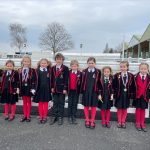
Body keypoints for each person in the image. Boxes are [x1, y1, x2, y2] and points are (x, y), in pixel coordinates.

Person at [113, 61, 135, 128]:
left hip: (127, 95)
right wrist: (115, 93)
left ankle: (123, 121)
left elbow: (133, 86)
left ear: (127, 67)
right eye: (121, 67)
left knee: (125, 108)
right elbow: (114, 85)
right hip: (119, 94)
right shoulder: (117, 75)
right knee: (119, 108)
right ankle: (119, 121)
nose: (122, 68)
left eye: (124, 67)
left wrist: (131, 94)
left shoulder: (131, 76)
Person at [81, 57, 101, 129]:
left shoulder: (98, 71)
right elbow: (82, 82)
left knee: (93, 106)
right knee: (86, 105)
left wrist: (99, 93)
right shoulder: (84, 71)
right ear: (87, 63)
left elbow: (99, 83)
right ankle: (87, 120)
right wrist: (82, 90)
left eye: (92, 63)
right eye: (89, 63)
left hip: (94, 92)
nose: (91, 64)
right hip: (86, 91)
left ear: (95, 63)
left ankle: (92, 121)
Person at [50, 53, 69, 125]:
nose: (59, 60)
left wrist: (65, 88)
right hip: (54, 89)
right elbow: (51, 79)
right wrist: (51, 87)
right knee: (55, 103)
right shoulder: (53, 68)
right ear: (55, 60)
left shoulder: (65, 68)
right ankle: (55, 116)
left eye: (60, 59)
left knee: (61, 103)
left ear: (62, 60)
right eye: (57, 59)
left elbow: (66, 79)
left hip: (62, 89)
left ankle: (60, 117)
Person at [33, 58, 52, 124]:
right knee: (40, 103)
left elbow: (52, 80)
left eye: (45, 63)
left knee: (46, 104)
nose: (43, 64)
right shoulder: (36, 71)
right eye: (42, 63)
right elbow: (34, 80)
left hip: (47, 90)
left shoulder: (49, 71)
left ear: (47, 64)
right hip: (39, 90)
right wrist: (33, 89)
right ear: (40, 64)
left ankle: (45, 116)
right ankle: (41, 116)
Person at [133, 63, 150, 132]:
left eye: (145, 69)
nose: (143, 70)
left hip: (145, 96)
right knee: (138, 109)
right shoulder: (135, 77)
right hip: (138, 96)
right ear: (139, 69)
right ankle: (137, 123)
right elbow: (133, 87)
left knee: (143, 110)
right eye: (141, 69)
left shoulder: (149, 78)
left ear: (147, 69)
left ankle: (142, 123)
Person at [18, 55, 36, 122]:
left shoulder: (32, 70)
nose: (26, 62)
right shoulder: (20, 70)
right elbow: (18, 80)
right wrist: (18, 88)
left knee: (29, 102)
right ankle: (24, 115)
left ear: (30, 62)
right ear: (22, 62)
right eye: (25, 61)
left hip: (29, 87)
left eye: (28, 61)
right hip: (22, 87)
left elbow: (34, 80)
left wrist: (33, 88)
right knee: (24, 102)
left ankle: (28, 115)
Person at [68, 60, 82, 124]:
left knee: (75, 103)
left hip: (76, 91)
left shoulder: (80, 73)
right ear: (70, 66)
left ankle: (73, 116)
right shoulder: (68, 72)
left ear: (77, 66)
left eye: (75, 66)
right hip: (70, 90)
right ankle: (69, 116)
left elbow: (81, 82)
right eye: (72, 66)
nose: (74, 67)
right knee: (70, 103)